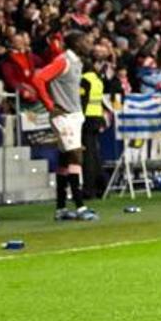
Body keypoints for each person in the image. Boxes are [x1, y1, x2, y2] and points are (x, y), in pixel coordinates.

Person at [32, 29, 96, 221]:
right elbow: (38, 78)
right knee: (75, 156)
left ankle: (61, 208)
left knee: (64, 160)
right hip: (64, 116)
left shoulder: (76, 62)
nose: (89, 45)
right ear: (76, 43)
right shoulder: (63, 61)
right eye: (86, 41)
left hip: (73, 115)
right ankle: (80, 206)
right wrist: (50, 105)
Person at [78, 55, 107, 200]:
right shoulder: (97, 79)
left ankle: (89, 189)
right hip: (96, 117)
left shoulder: (85, 79)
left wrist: (79, 119)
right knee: (95, 154)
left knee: (88, 156)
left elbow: (83, 101)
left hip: (87, 118)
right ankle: (101, 187)